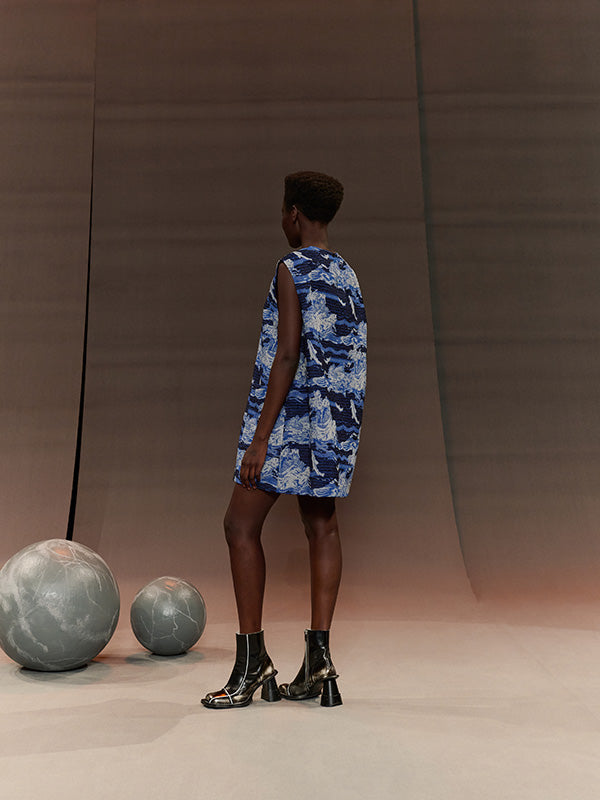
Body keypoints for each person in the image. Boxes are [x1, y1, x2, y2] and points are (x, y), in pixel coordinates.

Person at [201, 171, 367, 709]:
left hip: (291, 423)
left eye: (282, 210)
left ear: (294, 213)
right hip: (333, 424)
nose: (282, 220)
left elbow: (288, 353)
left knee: (239, 525)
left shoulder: (291, 268)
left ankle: (252, 666)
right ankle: (320, 665)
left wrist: (260, 439)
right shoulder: (347, 273)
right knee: (323, 527)